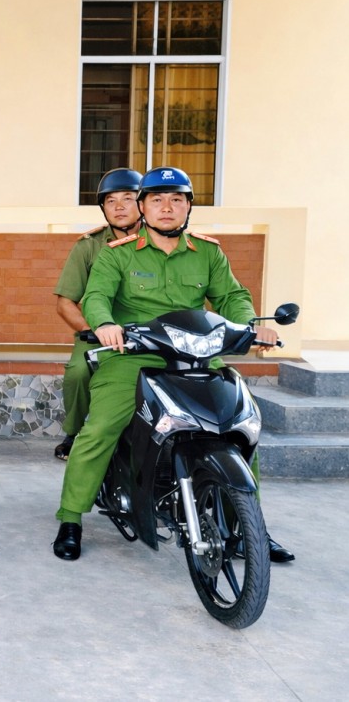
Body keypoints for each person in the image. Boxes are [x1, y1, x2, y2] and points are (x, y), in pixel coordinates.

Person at [52, 167, 292, 563]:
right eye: (157, 200)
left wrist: (251, 326)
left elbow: (232, 296)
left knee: (238, 425)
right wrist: (107, 324)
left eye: (177, 200)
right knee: (101, 427)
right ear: (142, 207)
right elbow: (95, 297)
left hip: (195, 354)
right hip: (134, 354)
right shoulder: (119, 253)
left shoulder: (209, 252)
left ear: (188, 207)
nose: (167, 208)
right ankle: (71, 518)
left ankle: (249, 529)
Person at [51, 168, 143, 460]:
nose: (118, 206)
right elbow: (65, 302)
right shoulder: (88, 246)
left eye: (127, 198)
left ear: (143, 203)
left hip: (149, 332)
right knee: (78, 373)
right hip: (99, 332)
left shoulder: (161, 242)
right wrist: (94, 330)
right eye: (111, 201)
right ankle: (75, 431)